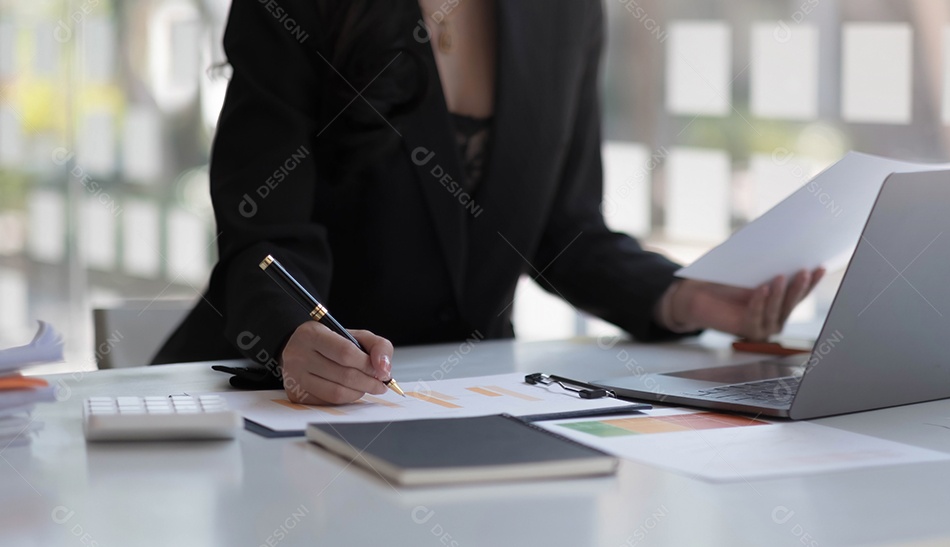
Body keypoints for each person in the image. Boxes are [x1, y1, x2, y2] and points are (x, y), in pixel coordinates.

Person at [153, 0, 824, 404]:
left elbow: (567, 229)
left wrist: (679, 297)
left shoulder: (566, 13)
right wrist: (292, 334)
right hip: (280, 403)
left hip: (467, 404)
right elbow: (262, 237)